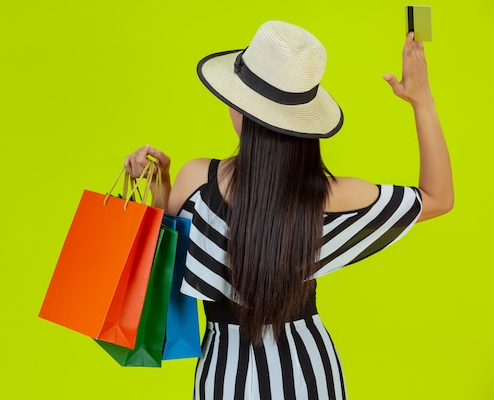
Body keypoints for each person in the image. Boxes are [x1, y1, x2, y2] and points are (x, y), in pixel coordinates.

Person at [124, 20, 453, 400]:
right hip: (309, 374)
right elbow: (439, 198)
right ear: (303, 121)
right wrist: (422, 100)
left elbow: (167, 270)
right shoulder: (333, 197)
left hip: (222, 378)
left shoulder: (195, 180)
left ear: (239, 107)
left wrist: (159, 189)